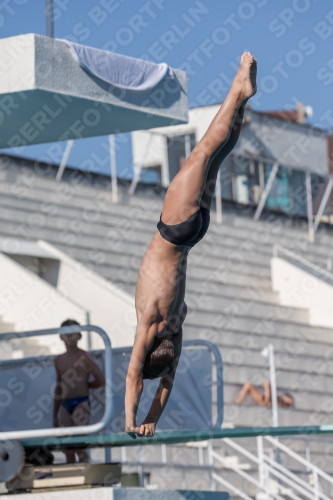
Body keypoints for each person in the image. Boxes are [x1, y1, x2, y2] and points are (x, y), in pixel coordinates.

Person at [125, 52, 257, 438]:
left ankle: (243, 98)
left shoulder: (174, 329)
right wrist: (130, 421)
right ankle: (237, 89)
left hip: (193, 233)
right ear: (149, 346)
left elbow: (165, 383)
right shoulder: (149, 322)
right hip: (173, 229)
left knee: (216, 156)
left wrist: (150, 422)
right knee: (202, 152)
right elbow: (136, 375)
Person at [53, 319, 105, 463]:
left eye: (73, 333)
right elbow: (59, 387)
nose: (70, 337)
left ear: (80, 336)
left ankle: (87, 479)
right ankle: (71, 481)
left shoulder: (85, 357)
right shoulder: (58, 360)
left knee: (80, 447)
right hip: (65, 404)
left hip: (81, 402)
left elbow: (101, 381)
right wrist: (54, 414)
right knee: (68, 449)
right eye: (67, 334)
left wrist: (85, 385)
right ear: (60, 336)